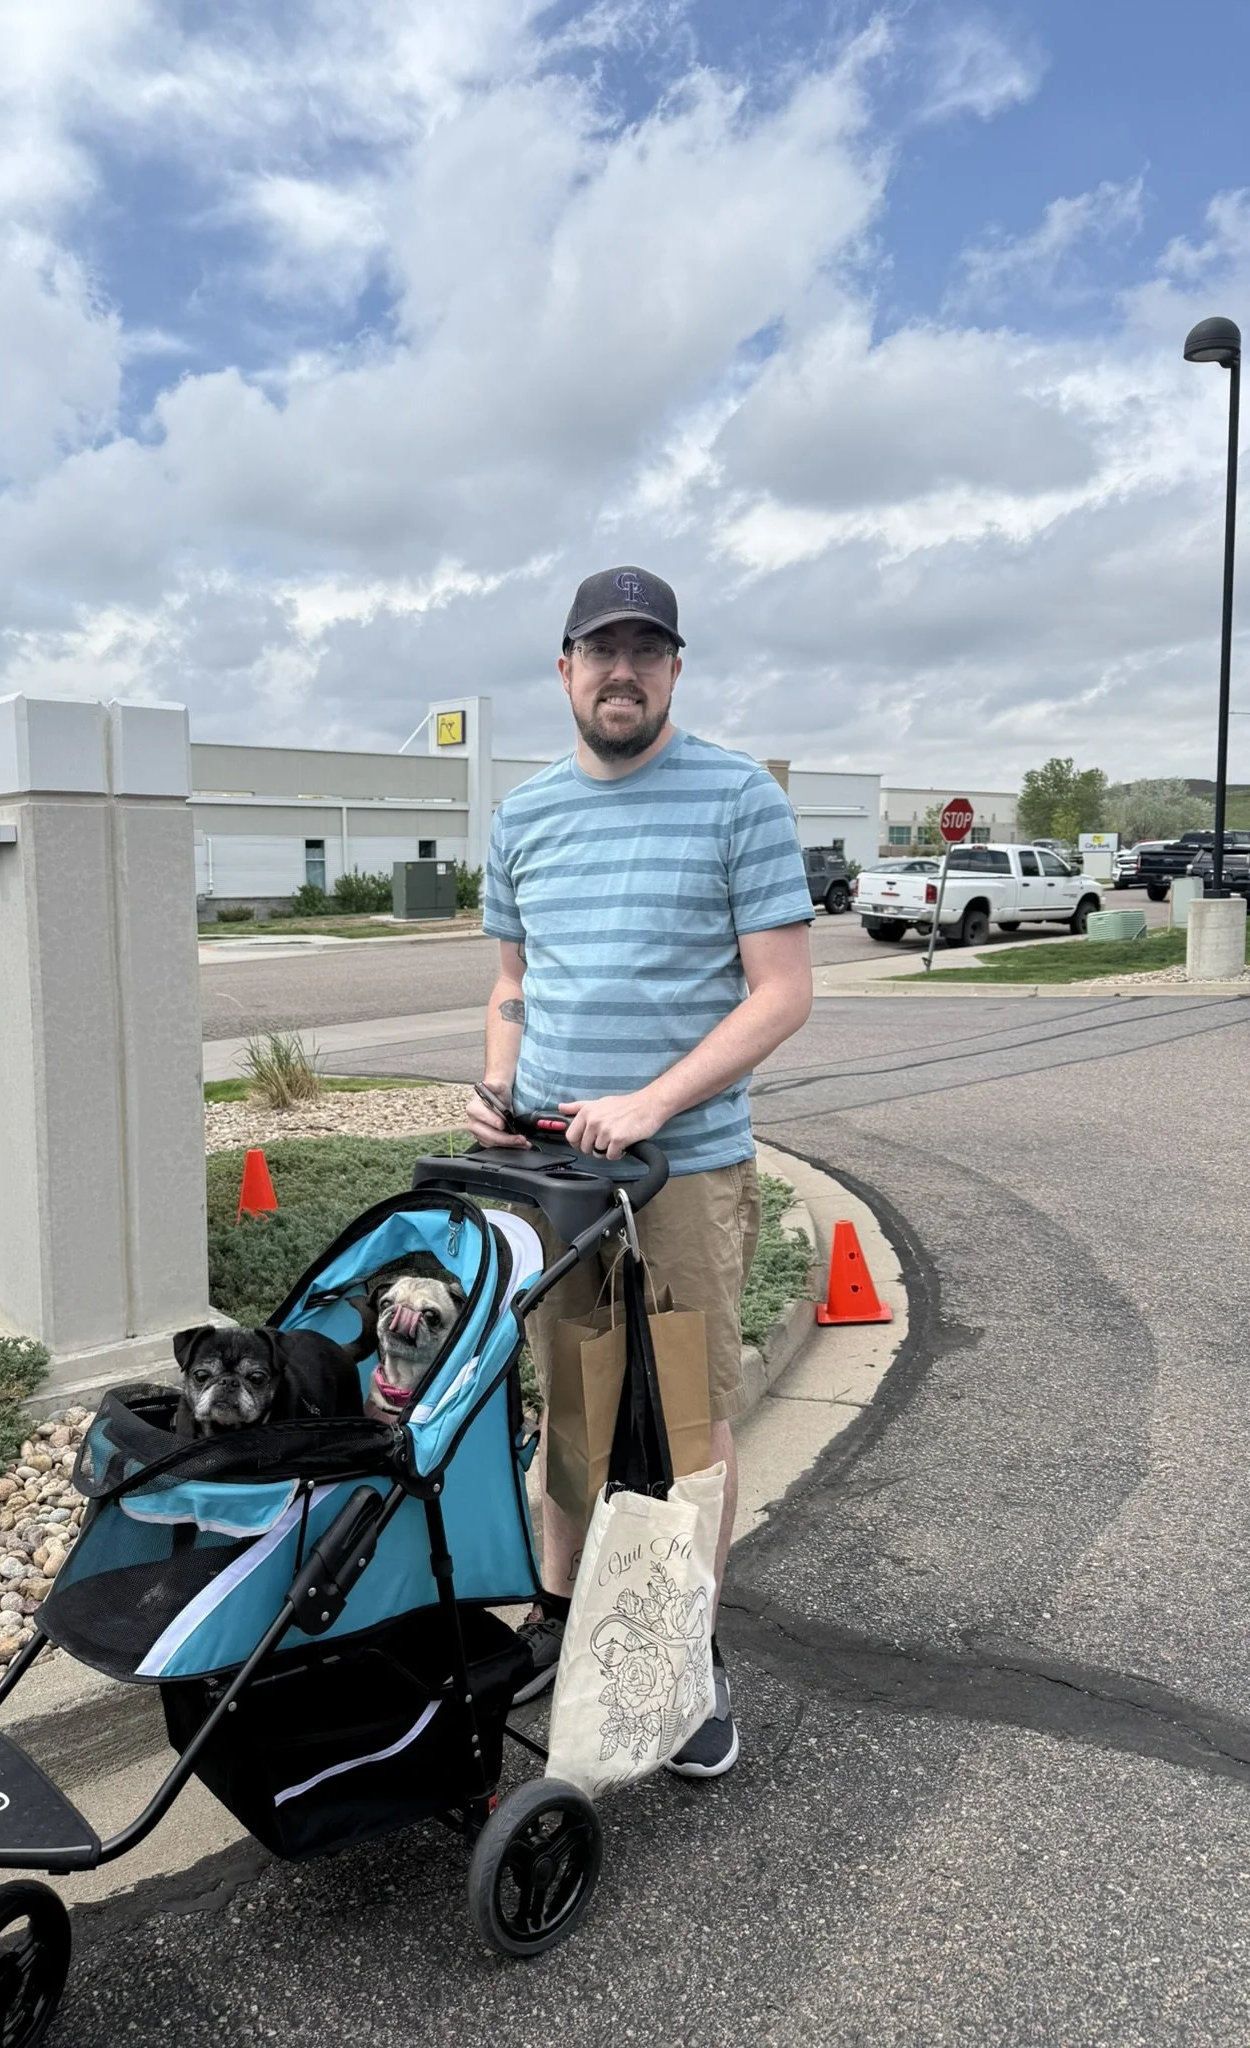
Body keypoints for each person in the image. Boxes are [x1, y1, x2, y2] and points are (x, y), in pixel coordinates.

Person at [470, 564, 814, 1777]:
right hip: (562, 1179)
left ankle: (679, 1650)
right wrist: (501, 1086)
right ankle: (564, 1620)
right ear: (564, 668)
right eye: (599, 649)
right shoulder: (521, 815)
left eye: (646, 650)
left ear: (675, 668)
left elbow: (783, 992)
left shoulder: (735, 799)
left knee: (684, 1426)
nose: (622, 670)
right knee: (570, 1408)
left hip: (682, 1177)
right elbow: (513, 979)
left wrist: (650, 1104)